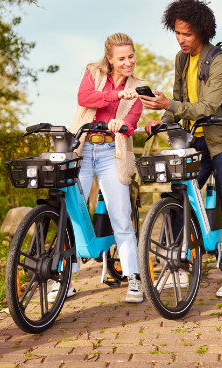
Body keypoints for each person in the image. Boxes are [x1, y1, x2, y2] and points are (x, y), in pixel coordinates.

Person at [139, 0, 222, 298]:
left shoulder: (220, 61)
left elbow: (208, 105)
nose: (181, 39)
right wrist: (162, 118)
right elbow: (177, 99)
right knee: (178, 199)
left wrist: (170, 104)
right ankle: (180, 263)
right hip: (195, 139)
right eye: (177, 32)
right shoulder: (181, 59)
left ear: (201, 30)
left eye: (186, 33)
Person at [50, 33, 144, 303]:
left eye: (131, 56)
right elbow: (85, 98)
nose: (128, 62)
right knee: (70, 215)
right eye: (122, 58)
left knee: (121, 217)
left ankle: (133, 278)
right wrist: (115, 96)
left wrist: (121, 124)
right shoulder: (94, 73)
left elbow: (132, 120)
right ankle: (65, 278)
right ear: (110, 60)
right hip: (82, 148)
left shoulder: (137, 88)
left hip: (110, 153)